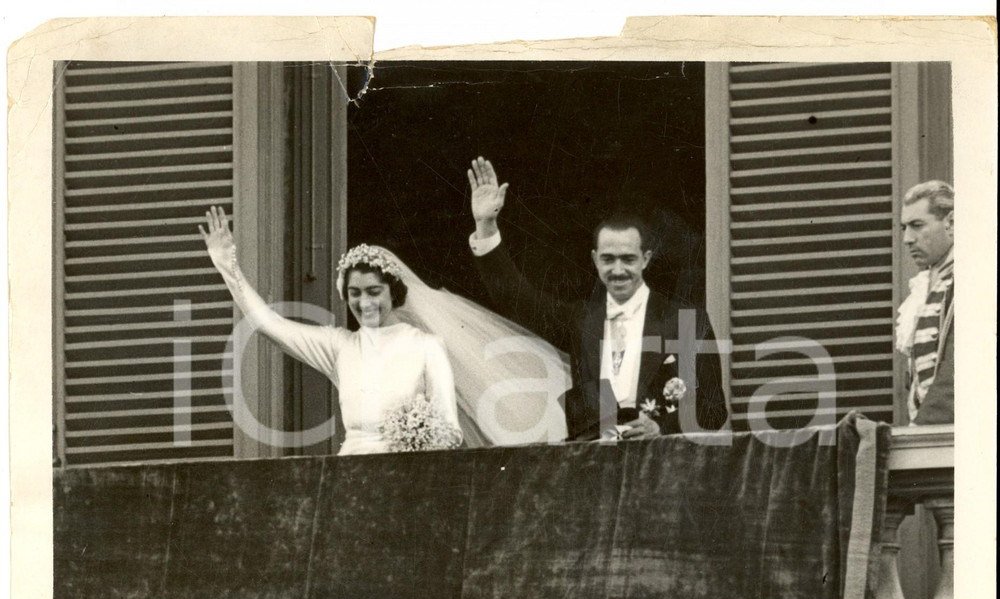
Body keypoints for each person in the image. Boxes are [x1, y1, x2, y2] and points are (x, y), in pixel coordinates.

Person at [465, 157, 728, 441]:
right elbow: (517, 300)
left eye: (628, 259)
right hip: (594, 466)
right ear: (594, 260)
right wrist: (486, 225)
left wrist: (661, 428)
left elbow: (713, 410)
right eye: (608, 259)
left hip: (661, 467)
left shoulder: (686, 320)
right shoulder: (580, 320)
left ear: (646, 259)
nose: (618, 270)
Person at [200, 206, 462, 455]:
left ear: (393, 292)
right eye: (354, 293)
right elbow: (270, 325)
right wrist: (226, 264)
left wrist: (414, 442)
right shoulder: (340, 346)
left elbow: (450, 431)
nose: (364, 302)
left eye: (374, 292)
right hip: (350, 473)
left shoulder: (426, 345)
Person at [895, 181, 955, 425]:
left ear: (950, 223)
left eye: (917, 226)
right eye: (904, 228)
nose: (908, 239)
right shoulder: (925, 286)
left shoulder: (972, 279)